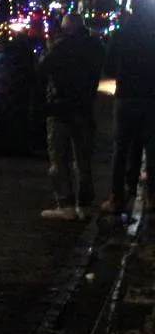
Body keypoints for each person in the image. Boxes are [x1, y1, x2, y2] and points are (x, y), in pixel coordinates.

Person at [38, 13, 105, 220]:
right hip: (84, 107)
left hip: (61, 108)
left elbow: (40, 71)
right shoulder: (96, 48)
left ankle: (65, 202)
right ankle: (84, 204)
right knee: (83, 158)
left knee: (59, 156)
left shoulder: (58, 48)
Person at [102, 0, 155, 215]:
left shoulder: (121, 35)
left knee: (121, 148)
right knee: (151, 149)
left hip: (125, 96)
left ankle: (116, 196)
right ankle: (152, 196)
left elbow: (110, 68)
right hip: (151, 97)